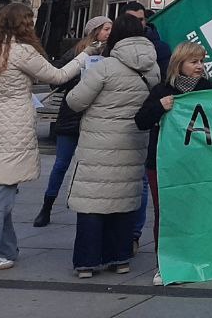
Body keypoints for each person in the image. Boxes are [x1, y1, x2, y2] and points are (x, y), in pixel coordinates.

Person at [0, 3, 88, 274]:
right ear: (22, 25)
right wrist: (83, 56)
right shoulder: (22, 51)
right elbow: (58, 76)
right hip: (15, 126)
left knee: (1, 189)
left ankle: (8, 250)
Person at [65, 14, 160, 278]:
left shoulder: (105, 67)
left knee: (93, 201)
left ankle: (86, 261)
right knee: (125, 199)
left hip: (99, 142)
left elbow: (75, 101)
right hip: (133, 141)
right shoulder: (152, 68)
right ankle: (120, 258)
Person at [135, 40, 212, 285]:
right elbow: (140, 121)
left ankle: (195, 258)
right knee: (166, 212)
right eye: (194, 62)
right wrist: (160, 108)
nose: (199, 66)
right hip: (161, 164)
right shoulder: (161, 91)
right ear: (178, 64)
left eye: (202, 61)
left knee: (195, 212)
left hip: (197, 163)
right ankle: (165, 263)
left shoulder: (209, 91)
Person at [32, 15, 112, 227]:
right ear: (94, 31)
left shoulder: (111, 54)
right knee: (61, 163)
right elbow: (57, 77)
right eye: (105, 29)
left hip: (96, 116)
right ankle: (47, 205)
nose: (108, 33)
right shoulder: (76, 53)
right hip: (71, 115)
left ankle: (91, 211)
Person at [124, 1, 171, 77]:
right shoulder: (112, 45)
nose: (137, 23)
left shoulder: (161, 48)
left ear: (145, 20)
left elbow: (165, 77)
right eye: (132, 19)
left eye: (140, 19)